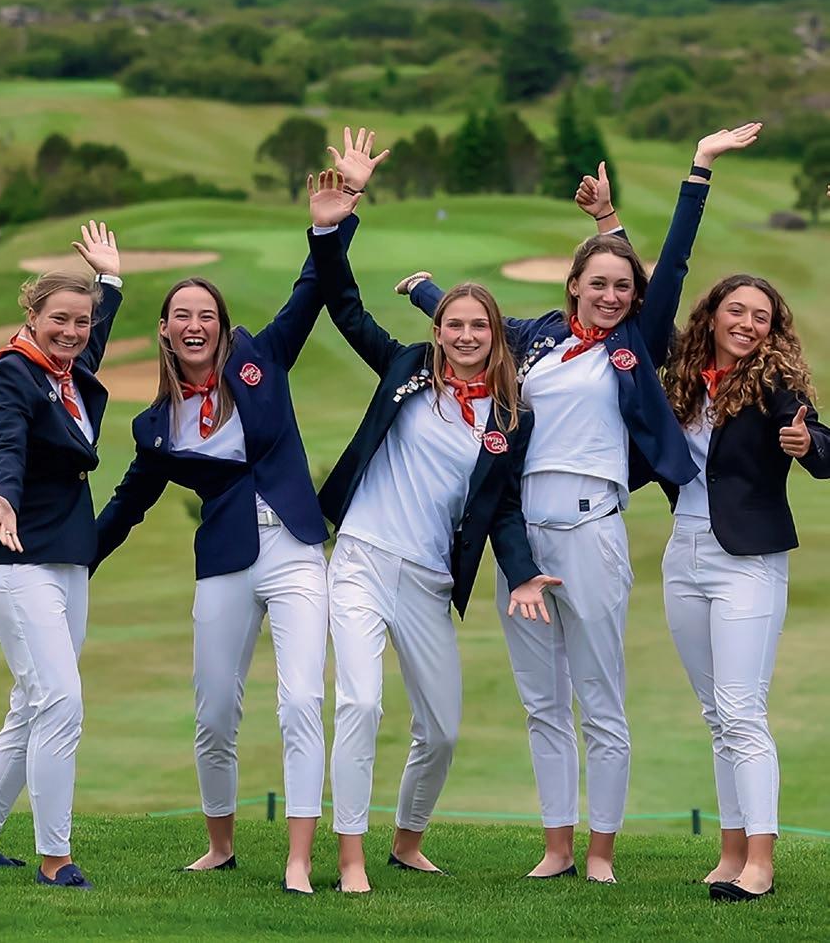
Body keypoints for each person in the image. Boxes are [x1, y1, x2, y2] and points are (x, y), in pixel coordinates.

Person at [398, 130, 753, 881]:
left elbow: (672, 267)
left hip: (593, 530)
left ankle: (600, 852)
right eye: (598, 284)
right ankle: (557, 847)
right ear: (574, 286)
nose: (611, 295)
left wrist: (697, 170)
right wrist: (425, 291)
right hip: (522, 541)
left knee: (600, 699)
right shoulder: (540, 340)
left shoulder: (635, 343)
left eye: (622, 286)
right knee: (542, 702)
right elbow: (478, 327)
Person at [92, 132, 372, 896]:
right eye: (180, 314)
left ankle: (298, 857)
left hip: (295, 549)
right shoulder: (156, 426)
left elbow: (312, 291)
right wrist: (73, 555)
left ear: (220, 324)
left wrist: (331, 224)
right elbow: (126, 504)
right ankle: (219, 843)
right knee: (215, 709)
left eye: (205, 313)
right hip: (223, 559)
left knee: (300, 700)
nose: (194, 323)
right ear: (164, 329)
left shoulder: (261, 357)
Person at [305, 166, 560, 894]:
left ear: (495, 334)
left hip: (427, 580)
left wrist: (522, 572)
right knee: (359, 703)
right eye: (454, 324)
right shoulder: (406, 369)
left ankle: (406, 840)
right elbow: (345, 307)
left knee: (441, 729)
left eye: (479, 326)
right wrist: (329, 230)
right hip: (361, 558)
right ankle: (349, 858)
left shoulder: (510, 416)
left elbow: (502, 506)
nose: (466, 335)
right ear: (438, 331)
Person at [0, 221, 123, 891]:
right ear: (32, 316)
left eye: (81, 321)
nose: (72, 331)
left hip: (64, 558)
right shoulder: (10, 377)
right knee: (60, 702)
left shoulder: (65, 372)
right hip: (13, 561)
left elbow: (90, 343)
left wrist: (109, 280)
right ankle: (56, 857)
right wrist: (1, 495)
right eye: (59, 320)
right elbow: (4, 444)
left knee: (33, 704)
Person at [660, 271, 829, 901]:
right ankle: (730, 854)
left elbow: (823, 443)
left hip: (747, 561)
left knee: (741, 712)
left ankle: (760, 864)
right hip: (683, 553)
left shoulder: (775, 384)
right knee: (716, 715)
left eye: (762, 317)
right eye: (737, 311)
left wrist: (807, 442)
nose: (748, 324)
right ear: (712, 316)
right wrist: (608, 226)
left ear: (772, 330)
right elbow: (649, 293)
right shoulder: (685, 377)